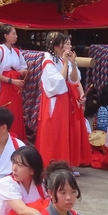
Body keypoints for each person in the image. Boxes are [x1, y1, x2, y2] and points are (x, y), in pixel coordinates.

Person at [36, 32, 89, 168]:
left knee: (63, 133)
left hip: (63, 99)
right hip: (54, 100)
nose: (67, 47)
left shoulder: (59, 60)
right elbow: (58, 82)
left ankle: (62, 163)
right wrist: (66, 63)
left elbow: (74, 79)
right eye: (64, 44)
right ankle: (50, 163)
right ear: (55, 46)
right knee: (54, 132)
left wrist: (72, 63)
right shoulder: (47, 61)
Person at [0, 25, 28, 141]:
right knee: (3, 112)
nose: (16, 36)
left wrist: (23, 72)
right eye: (13, 34)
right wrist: (11, 80)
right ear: (5, 36)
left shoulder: (16, 51)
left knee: (16, 113)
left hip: (15, 87)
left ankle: (16, 139)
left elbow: (23, 67)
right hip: (4, 86)